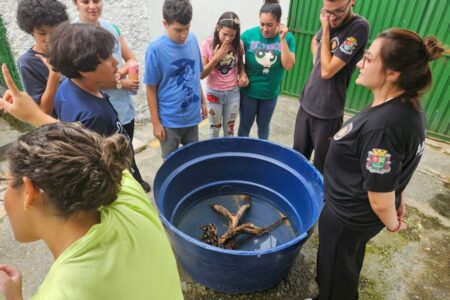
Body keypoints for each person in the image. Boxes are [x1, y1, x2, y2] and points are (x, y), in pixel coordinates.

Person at [0, 64, 183, 300]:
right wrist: (34, 115)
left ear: (30, 191)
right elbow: (92, 153)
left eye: (6, 182)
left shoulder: (61, 293)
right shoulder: (128, 199)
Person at [315, 29, 447, 299]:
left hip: (348, 217)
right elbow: (397, 164)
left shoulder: (384, 126)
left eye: (370, 59)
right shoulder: (405, 106)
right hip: (355, 216)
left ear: (392, 73)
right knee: (346, 263)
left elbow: (378, 198)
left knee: (335, 271)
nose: (360, 64)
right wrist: (399, 196)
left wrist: (393, 223)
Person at [49, 22, 150, 192]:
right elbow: (102, 168)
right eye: (107, 58)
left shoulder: (67, 86)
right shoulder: (93, 117)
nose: (116, 61)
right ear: (85, 69)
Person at [293, 0, 369, 173]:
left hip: (328, 111)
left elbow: (327, 72)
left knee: (322, 166)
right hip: (307, 103)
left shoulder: (359, 27)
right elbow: (314, 40)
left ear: (352, 2)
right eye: (327, 11)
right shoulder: (330, 18)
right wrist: (317, 60)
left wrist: (326, 27)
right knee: (297, 158)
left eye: (338, 11)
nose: (332, 17)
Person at [144, 0, 207, 159]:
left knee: (193, 159)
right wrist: (156, 123)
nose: (183, 35)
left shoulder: (192, 40)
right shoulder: (155, 50)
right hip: (169, 121)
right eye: (178, 30)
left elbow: (194, 75)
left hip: (192, 118)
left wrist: (203, 101)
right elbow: (150, 88)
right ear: (165, 24)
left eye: (187, 28)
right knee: (171, 163)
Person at [72, 0, 139, 145]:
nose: (92, 6)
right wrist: (121, 84)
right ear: (76, 3)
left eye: (96, 1)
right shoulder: (72, 36)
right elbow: (82, 80)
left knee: (127, 157)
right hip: (98, 115)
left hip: (123, 109)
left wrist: (120, 72)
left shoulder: (111, 28)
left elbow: (131, 59)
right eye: (85, 2)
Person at [237, 0, 295, 140]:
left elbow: (288, 65)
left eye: (269, 25)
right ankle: (241, 155)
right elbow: (237, 57)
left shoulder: (288, 38)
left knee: (263, 128)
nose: (265, 29)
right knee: (244, 126)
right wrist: (242, 72)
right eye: (262, 24)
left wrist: (282, 39)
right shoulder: (248, 35)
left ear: (278, 22)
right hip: (249, 92)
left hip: (270, 94)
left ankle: (263, 156)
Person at [16, 0, 68, 115]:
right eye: (42, 33)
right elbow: (43, 111)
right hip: (65, 128)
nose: (49, 39)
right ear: (31, 32)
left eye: (54, 32)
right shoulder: (28, 62)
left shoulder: (66, 48)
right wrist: (53, 75)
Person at [200, 11, 245, 138]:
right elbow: (201, 74)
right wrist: (216, 58)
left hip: (233, 93)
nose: (228, 39)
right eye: (225, 34)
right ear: (217, 28)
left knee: (229, 130)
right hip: (213, 94)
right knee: (214, 129)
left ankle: (227, 157)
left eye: (232, 35)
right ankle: (213, 157)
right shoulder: (207, 44)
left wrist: (242, 74)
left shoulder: (238, 44)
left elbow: (241, 64)